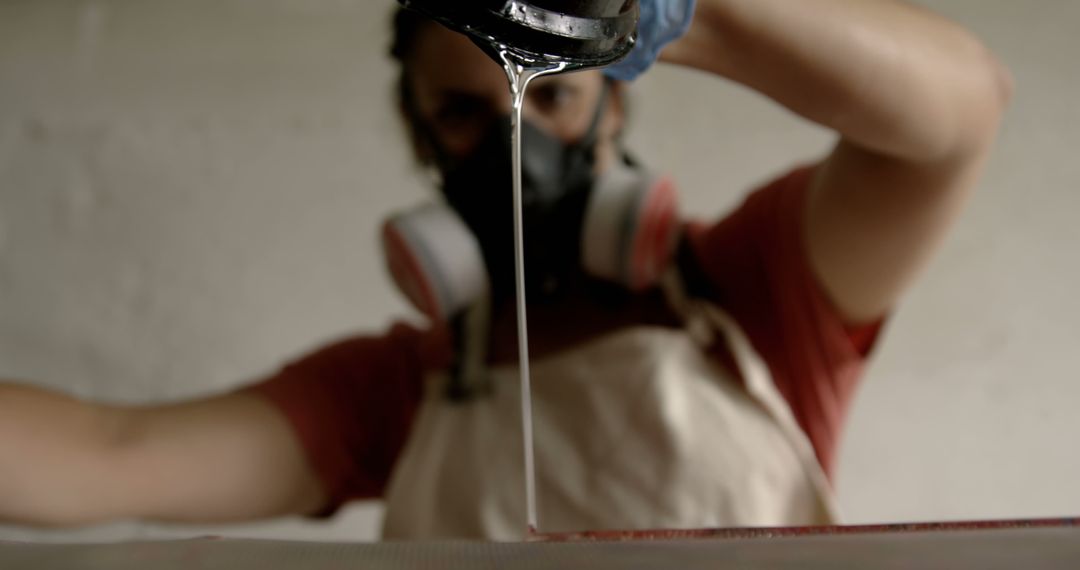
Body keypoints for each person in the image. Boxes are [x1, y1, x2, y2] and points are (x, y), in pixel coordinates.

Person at [0, 0, 1010, 540]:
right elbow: (109, 453)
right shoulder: (400, 390)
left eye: (549, 95)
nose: (513, 146)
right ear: (421, 138)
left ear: (614, 102)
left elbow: (959, 112)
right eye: (462, 116)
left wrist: (653, 9)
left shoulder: (752, 290)